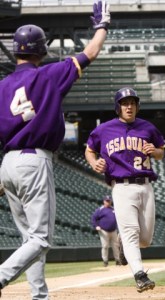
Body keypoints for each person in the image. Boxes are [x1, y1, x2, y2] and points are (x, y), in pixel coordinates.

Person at [0, 1, 110, 298]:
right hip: (33, 160)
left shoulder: (2, 85)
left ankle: (39, 296)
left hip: (8, 162)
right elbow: (91, 52)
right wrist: (102, 27)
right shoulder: (48, 75)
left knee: (29, 239)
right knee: (41, 239)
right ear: (41, 49)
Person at [85, 87, 165, 293]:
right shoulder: (104, 129)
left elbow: (161, 152)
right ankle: (140, 275)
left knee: (145, 239)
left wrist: (155, 151)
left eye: (132, 103)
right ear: (118, 107)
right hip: (121, 187)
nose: (129, 106)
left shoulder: (148, 128)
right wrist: (94, 163)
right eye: (124, 103)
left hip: (146, 186)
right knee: (131, 233)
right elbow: (89, 149)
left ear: (137, 106)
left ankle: (122, 242)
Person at [91, 195, 120, 267]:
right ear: (104, 201)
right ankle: (105, 261)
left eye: (109, 201)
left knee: (116, 246)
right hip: (104, 230)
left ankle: (118, 260)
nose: (108, 202)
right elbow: (93, 218)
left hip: (113, 230)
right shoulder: (100, 210)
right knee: (105, 246)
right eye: (107, 201)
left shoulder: (113, 209)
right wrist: (96, 226)